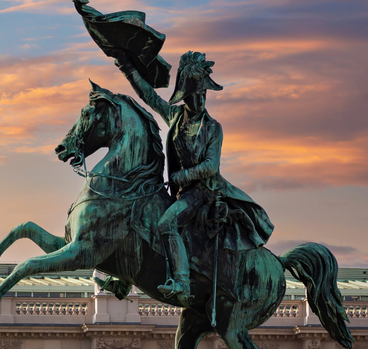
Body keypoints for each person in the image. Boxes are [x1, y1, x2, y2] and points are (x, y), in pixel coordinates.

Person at [113, 49, 273, 306]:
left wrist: (183, 176)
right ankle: (123, 277)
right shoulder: (175, 117)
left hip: (204, 192)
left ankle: (182, 282)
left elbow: (211, 166)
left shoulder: (212, 128)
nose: (201, 99)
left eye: (203, 94)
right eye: (196, 94)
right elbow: (149, 97)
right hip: (180, 191)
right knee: (139, 213)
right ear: (185, 95)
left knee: (166, 224)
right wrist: (127, 67)